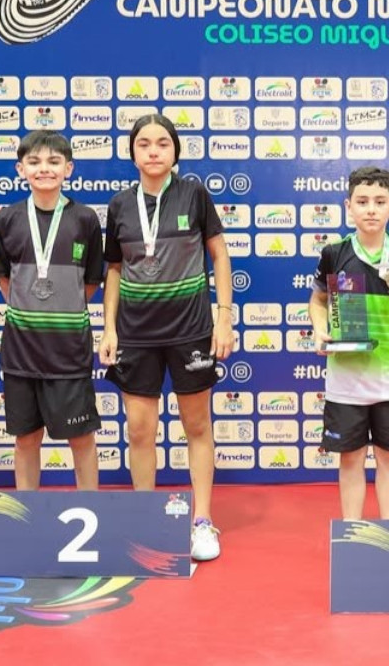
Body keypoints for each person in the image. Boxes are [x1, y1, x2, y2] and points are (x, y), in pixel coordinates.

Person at [99, 114, 235, 561]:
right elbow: (114, 269)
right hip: (136, 334)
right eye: (144, 143)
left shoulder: (194, 194)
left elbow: (219, 256)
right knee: (140, 430)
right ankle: (146, 519)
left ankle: (202, 521)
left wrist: (224, 318)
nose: (153, 150)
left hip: (190, 330)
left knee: (197, 426)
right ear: (132, 152)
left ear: (175, 151)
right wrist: (109, 327)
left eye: (162, 143)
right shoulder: (120, 205)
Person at [309, 166, 389, 519]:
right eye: (362, 202)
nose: (371, 209)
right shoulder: (334, 253)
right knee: (351, 459)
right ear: (348, 206)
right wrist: (319, 328)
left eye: (379, 201)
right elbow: (318, 300)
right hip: (347, 379)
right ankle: (352, 533)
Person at [0, 131, 104, 491]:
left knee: (82, 440)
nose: (44, 169)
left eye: (54, 162)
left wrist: (60, 309)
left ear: (68, 168)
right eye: (34, 162)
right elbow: (5, 281)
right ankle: (27, 514)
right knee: (26, 440)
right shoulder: (6, 220)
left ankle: (91, 510)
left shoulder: (85, 219)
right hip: (21, 354)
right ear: (20, 169)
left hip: (69, 354)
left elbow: (90, 283)